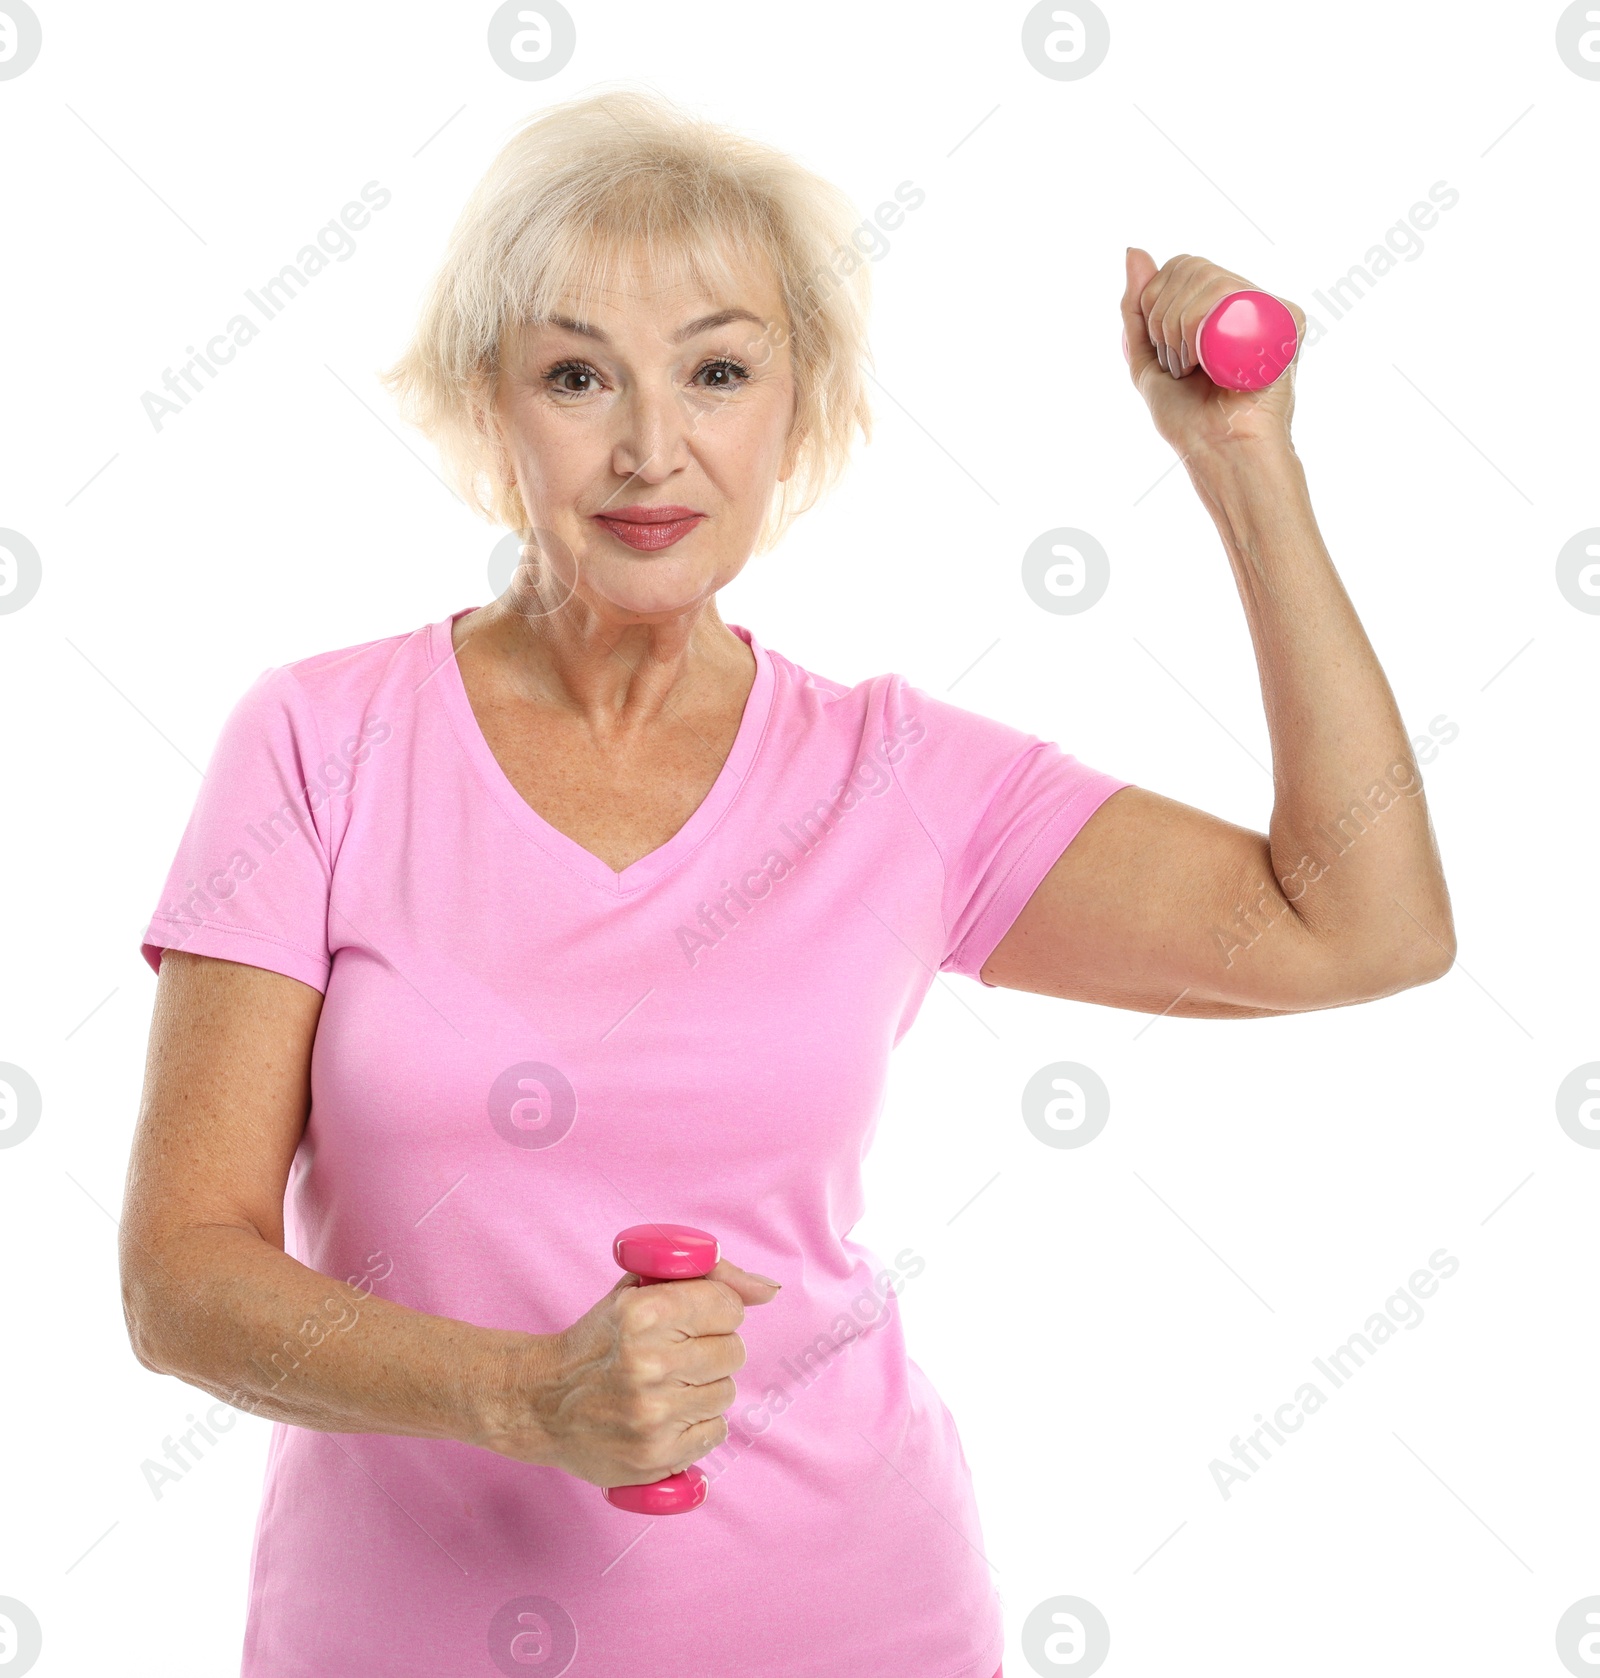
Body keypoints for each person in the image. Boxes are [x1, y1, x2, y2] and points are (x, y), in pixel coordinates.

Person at [119, 87, 1454, 1678]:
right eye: (575, 375)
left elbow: (1361, 923)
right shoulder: (318, 743)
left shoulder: (896, 780)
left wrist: (1244, 460)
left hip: (846, 1621)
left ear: (793, 415)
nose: (648, 447)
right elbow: (181, 1278)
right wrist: (527, 1396)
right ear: (494, 407)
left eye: (718, 371)